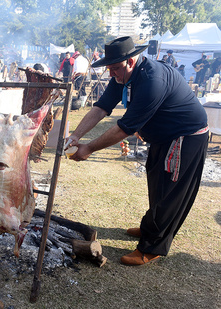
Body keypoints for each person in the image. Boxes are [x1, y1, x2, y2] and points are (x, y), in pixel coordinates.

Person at [66, 36, 208, 266]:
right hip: (162, 137)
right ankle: (149, 227)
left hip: (185, 137)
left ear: (130, 62)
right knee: (156, 182)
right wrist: (76, 135)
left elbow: (124, 128)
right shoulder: (122, 76)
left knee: (170, 192)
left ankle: (152, 247)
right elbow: (102, 107)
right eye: (109, 69)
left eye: (115, 68)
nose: (111, 74)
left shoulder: (153, 79)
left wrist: (89, 149)